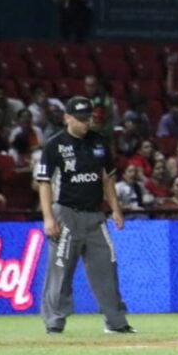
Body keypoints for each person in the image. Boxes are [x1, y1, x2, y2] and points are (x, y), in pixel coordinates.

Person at [35, 96, 135, 335]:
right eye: (80, 119)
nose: (85, 123)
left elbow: (108, 177)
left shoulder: (99, 142)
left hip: (95, 215)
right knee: (60, 270)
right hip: (67, 214)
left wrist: (115, 209)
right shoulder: (54, 144)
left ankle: (116, 322)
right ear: (67, 118)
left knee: (107, 269)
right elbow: (44, 183)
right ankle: (54, 322)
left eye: (88, 118)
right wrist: (48, 217)